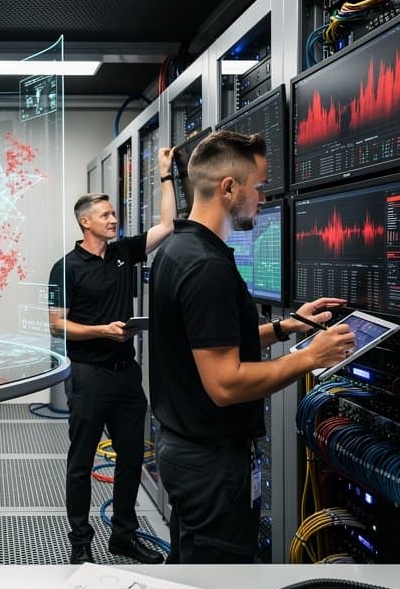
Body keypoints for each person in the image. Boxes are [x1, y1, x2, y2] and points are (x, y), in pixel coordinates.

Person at [147, 130, 355, 564]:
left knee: (194, 567)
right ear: (228, 188)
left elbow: (209, 341)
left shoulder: (179, 250)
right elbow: (225, 383)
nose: (262, 201)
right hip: (210, 463)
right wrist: (310, 358)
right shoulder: (206, 267)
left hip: (186, 450)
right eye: (259, 188)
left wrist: (287, 328)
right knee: (218, 580)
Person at [48, 147, 177, 566]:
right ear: (85, 222)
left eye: (113, 214)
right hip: (87, 375)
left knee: (131, 459)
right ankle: (80, 540)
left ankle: (123, 535)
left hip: (126, 375)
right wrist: (100, 330)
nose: (113, 219)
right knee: (81, 463)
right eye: (105, 215)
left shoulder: (124, 253)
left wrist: (164, 175)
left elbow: (168, 226)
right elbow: (56, 324)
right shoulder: (65, 267)